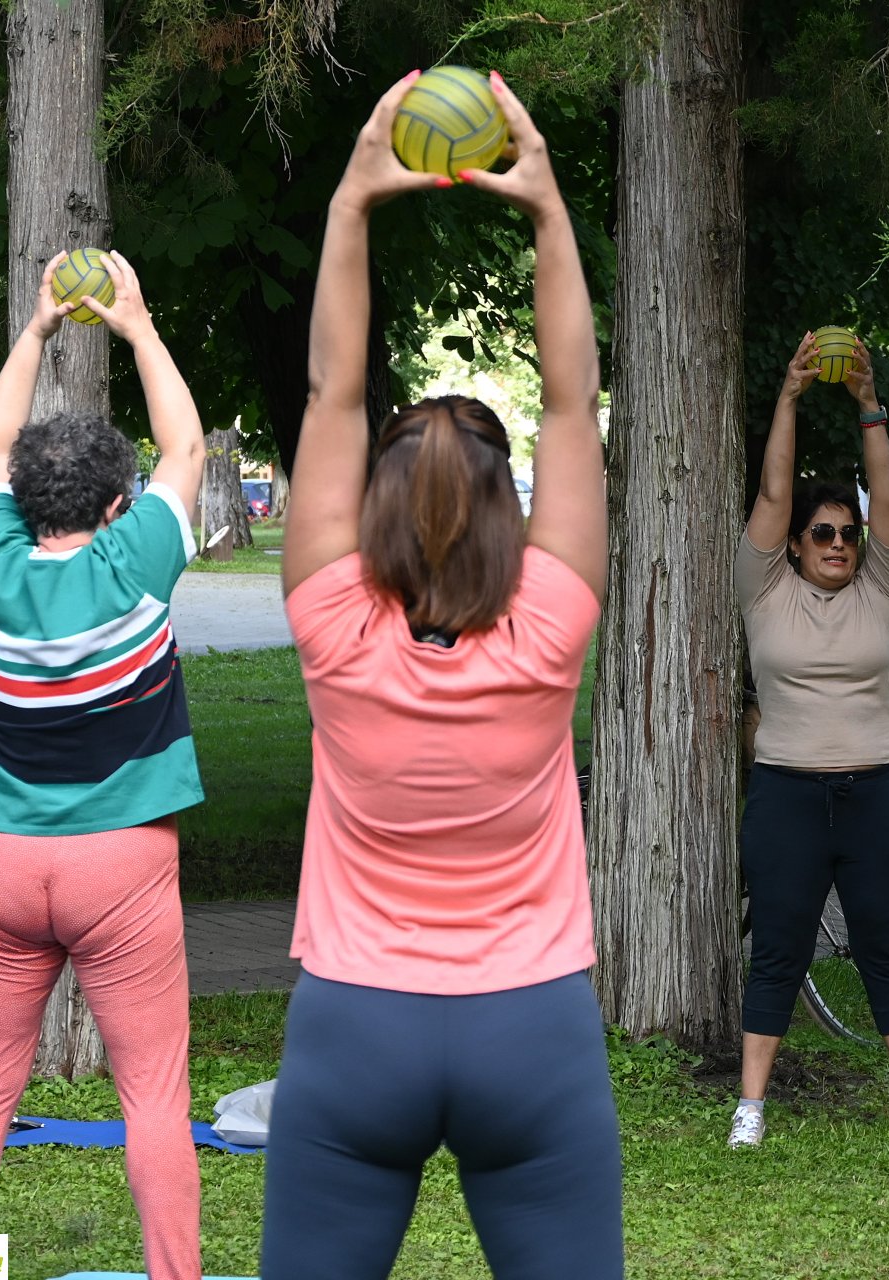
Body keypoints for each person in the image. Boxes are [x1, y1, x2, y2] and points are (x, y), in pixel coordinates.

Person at [260, 71, 618, 1278]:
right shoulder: (548, 626)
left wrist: (353, 201)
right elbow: (570, 400)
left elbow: (332, 390)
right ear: (511, 513)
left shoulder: (335, 625)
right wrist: (548, 208)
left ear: (372, 507)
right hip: (534, 1029)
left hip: (357, 1027)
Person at [0, 252, 207, 1280]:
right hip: (119, 868)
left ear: (19, 498)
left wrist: (38, 328)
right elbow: (186, 444)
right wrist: (136, 325)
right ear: (119, 503)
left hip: (2, 866)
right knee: (154, 1094)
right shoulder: (136, 564)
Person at [730, 331, 889, 1150]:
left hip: (878, 793)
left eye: (846, 533)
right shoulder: (764, 590)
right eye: (823, 533)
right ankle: (751, 1109)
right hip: (786, 794)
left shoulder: (883, 588)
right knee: (777, 950)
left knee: (886, 948)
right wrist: (788, 396)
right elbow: (773, 491)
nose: (840, 543)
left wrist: (868, 406)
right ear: (794, 543)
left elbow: (888, 503)